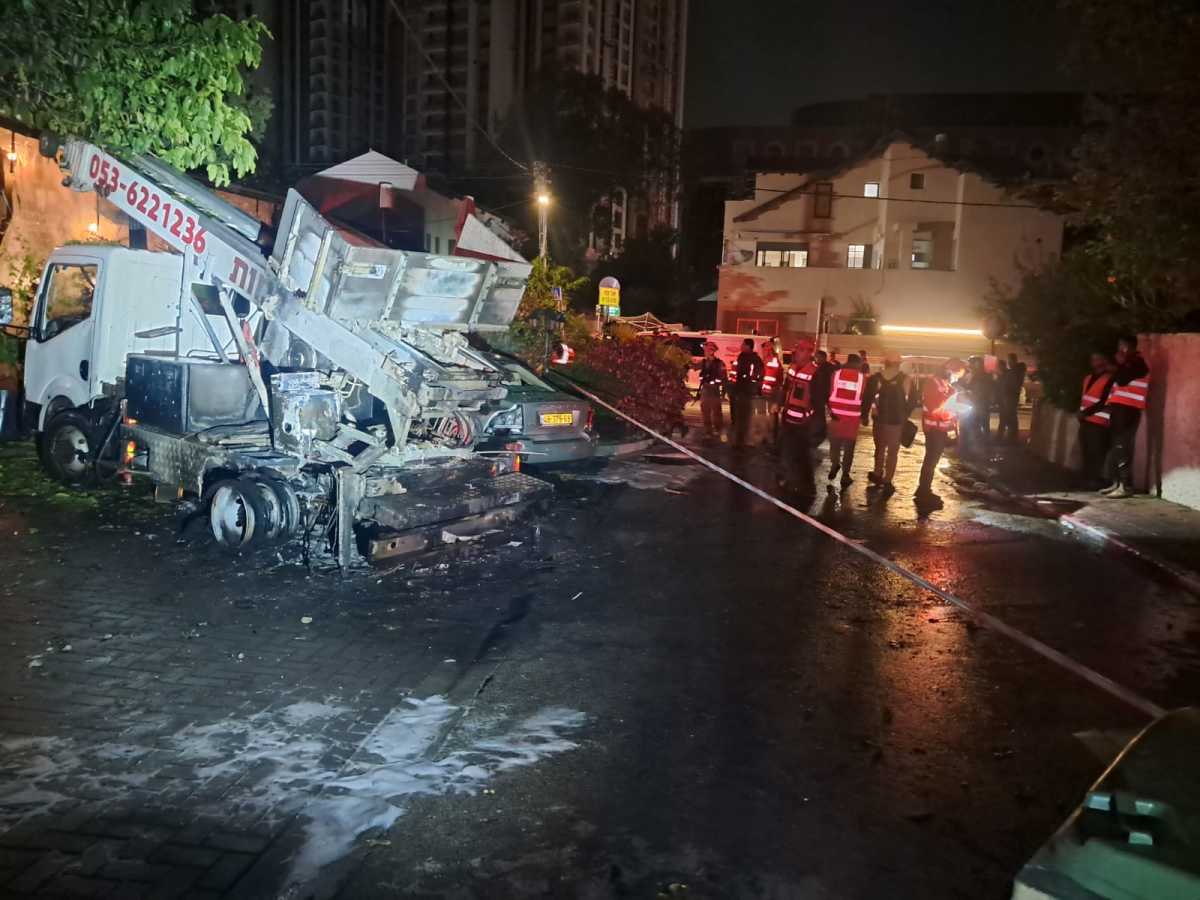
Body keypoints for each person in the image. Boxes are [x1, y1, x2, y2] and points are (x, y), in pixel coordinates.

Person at [1100, 334, 1150, 498]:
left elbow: (1122, 380)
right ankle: (1117, 483)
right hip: (1120, 409)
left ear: (1128, 347)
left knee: (1122, 446)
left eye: (1122, 346)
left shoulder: (1138, 363)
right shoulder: (1128, 363)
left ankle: (1125, 486)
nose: (1119, 349)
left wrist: (1119, 365)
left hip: (1128, 409)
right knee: (1116, 446)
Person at [861, 350, 916, 496]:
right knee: (893, 452)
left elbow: (867, 398)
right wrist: (905, 415)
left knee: (879, 448)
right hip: (897, 422)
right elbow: (913, 401)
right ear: (898, 363)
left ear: (885, 362)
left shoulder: (876, 378)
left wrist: (864, 416)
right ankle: (888, 479)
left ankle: (877, 473)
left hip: (880, 420)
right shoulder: (906, 379)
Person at [777, 338, 828, 495]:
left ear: (808, 353)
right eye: (797, 350)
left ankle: (806, 485)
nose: (796, 353)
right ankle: (791, 480)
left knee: (802, 455)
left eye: (799, 350)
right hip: (788, 419)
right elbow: (786, 387)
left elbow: (818, 401)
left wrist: (815, 424)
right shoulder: (792, 368)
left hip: (804, 423)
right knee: (788, 451)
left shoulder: (815, 373)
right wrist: (778, 404)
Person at [917, 359, 965, 508]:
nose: (957, 378)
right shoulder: (933, 384)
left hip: (940, 429)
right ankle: (923, 491)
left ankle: (924, 489)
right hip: (934, 429)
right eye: (957, 374)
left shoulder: (946, 386)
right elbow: (936, 409)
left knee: (932, 461)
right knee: (931, 461)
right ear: (949, 371)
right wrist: (954, 410)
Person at [826, 353, 866, 489]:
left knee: (835, 444)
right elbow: (864, 397)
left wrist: (831, 409)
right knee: (849, 448)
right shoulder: (862, 378)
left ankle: (834, 464)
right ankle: (845, 475)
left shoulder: (836, 374)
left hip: (836, 415)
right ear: (858, 364)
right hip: (852, 418)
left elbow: (830, 391)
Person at [1078, 351, 1114, 487]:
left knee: (1097, 453)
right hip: (1085, 421)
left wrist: (1085, 413)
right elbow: (1085, 398)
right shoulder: (1088, 378)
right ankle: (1086, 479)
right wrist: (1082, 414)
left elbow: (1105, 401)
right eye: (1093, 359)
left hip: (1099, 422)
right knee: (1086, 452)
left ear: (1105, 361)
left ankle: (1094, 480)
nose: (1095, 362)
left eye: (1099, 359)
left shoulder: (1109, 379)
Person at [730, 338, 764, 449]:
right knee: (738, 416)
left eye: (743, 344)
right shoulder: (741, 357)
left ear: (748, 346)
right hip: (739, 390)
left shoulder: (754, 359)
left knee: (745, 417)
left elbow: (757, 375)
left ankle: (743, 441)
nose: (741, 346)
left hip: (747, 391)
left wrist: (752, 385)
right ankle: (739, 440)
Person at [696, 341, 727, 441]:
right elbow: (694, 367)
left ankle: (718, 430)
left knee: (716, 412)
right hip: (705, 389)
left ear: (711, 351)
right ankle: (708, 432)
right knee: (705, 412)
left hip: (714, 390)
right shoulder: (703, 362)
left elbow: (724, 377)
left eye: (706, 350)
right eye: (705, 350)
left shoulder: (719, 363)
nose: (705, 352)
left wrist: (724, 391)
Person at [759, 339, 784, 447]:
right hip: (767, 391)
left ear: (768, 349)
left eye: (765, 349)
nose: (763, 351)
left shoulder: (772, 361)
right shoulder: (767, 360)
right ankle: (768, 436)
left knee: (772, 415)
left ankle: (771, 437)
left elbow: (772, 377)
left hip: (771, 392)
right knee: (767, 415)